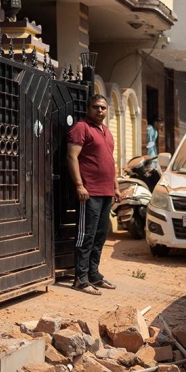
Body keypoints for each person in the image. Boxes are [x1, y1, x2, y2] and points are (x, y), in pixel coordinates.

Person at [67, 94, 121, 295]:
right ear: (88, 109)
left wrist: (115, 187)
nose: (100, 111)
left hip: (106, 192)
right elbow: (72, 157)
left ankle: (93, 274)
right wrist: (79, 185)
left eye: (103, 108)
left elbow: (110, 161)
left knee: (100, 235)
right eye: (96, 107)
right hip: (89, 192)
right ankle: (80, 278)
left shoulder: (106, 131)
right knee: (86, 235)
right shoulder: (82, 127)